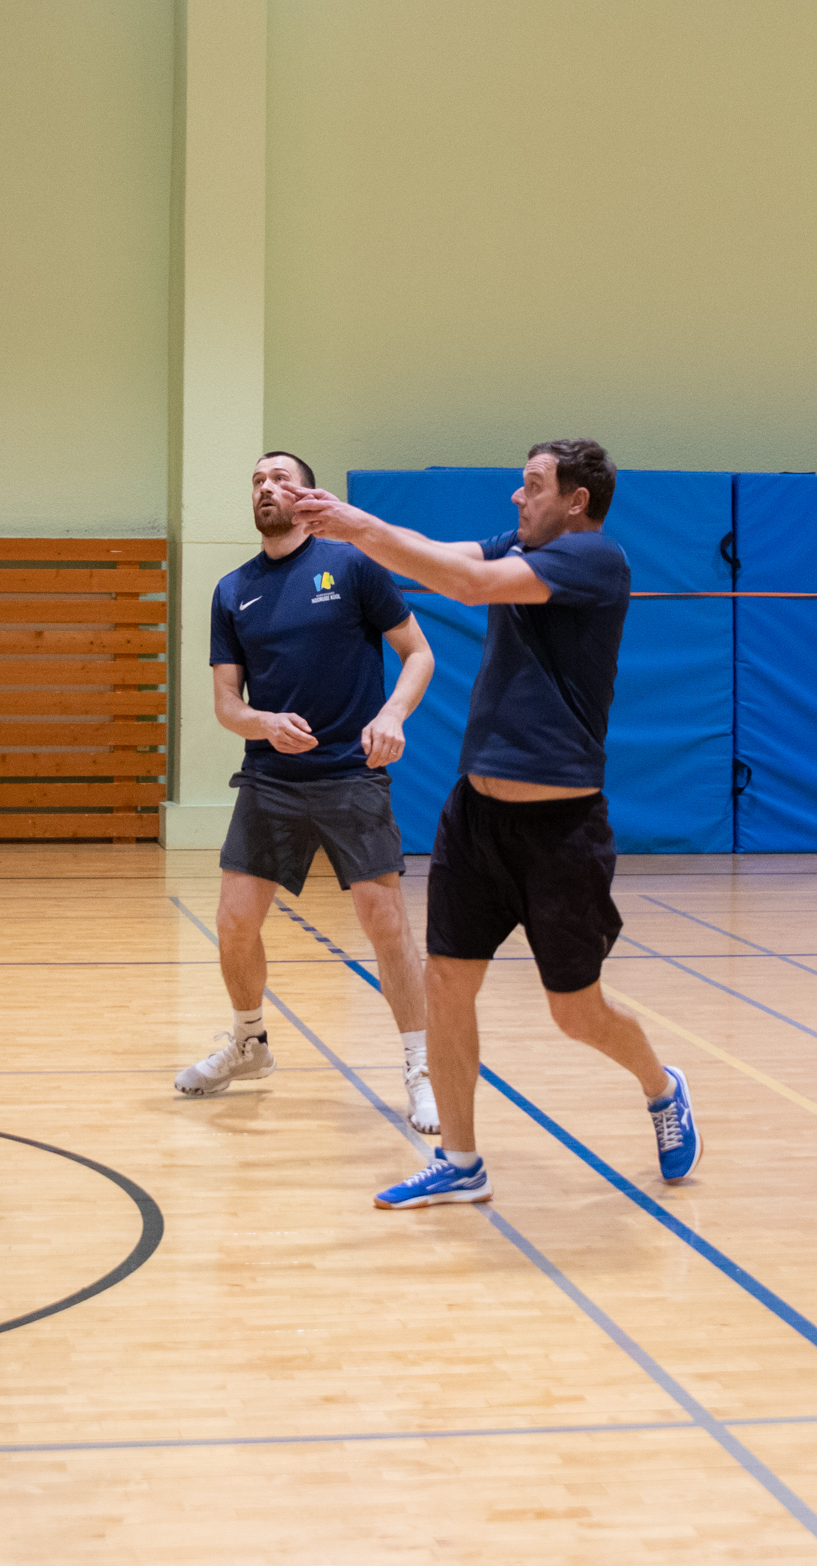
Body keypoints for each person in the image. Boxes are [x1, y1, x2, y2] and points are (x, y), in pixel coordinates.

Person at [292, 440, 700, 1210]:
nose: (518, 497)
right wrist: (349, 526)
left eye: (533, 486)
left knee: (576, 1012)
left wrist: (353, 525)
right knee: (447, 985)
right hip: (476, 818)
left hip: (560, 830)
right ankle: (461, 1160)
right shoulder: (525, 543)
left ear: (577, 500)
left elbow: (469, 586)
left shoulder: (594, 559)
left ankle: (660, 1085)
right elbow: (440, 556)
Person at [176, 451, 442, 1132]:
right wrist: (263, 723)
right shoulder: (233, 591)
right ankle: (249, 1044)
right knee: (234, 921)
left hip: (351, 773)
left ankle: (422, 1068)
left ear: (307, 495)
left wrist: (392, 716)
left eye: (279, 479)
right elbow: (227, 704)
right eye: (257, 481)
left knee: (385, 923)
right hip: (271, 779)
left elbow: (418, 654)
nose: (266, 488)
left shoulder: (352, 566)